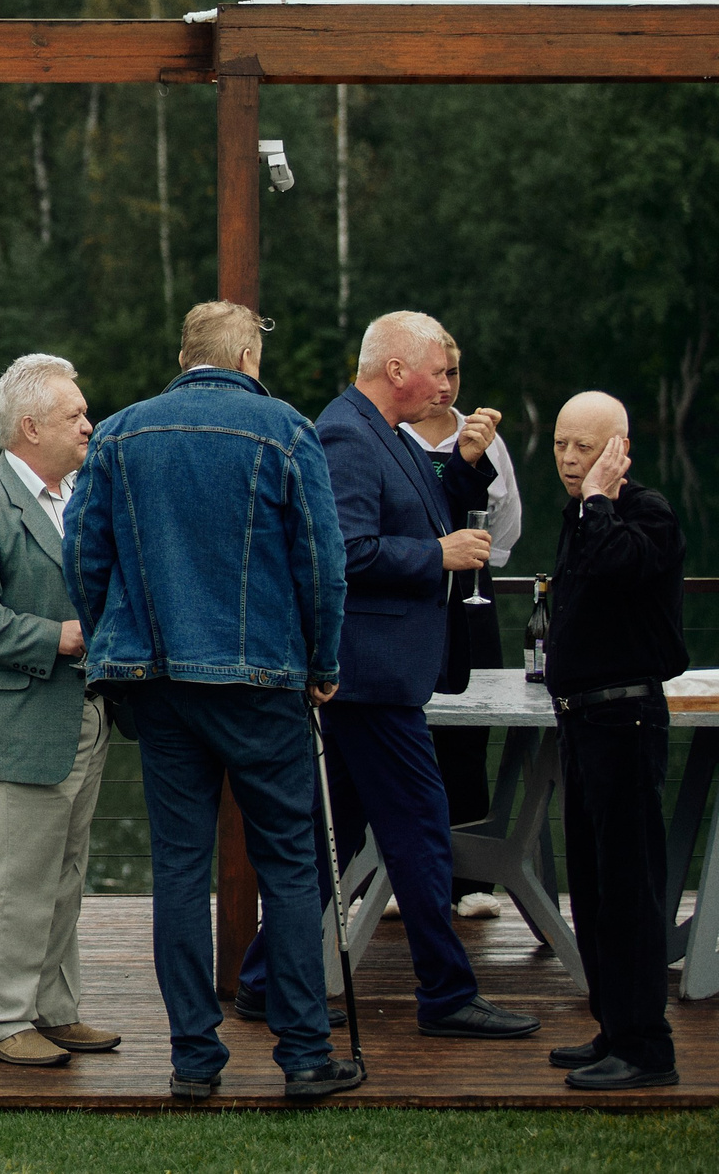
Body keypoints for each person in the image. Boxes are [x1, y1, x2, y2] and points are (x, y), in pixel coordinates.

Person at [64, 301, 359, 1101]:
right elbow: (323, 566)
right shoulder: (288, 431)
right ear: (247, 357)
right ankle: (303, 1055)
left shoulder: (121, 432)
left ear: (185, 354)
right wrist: (323, 661)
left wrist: (110, 639)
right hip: (263, 678)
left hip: (156, 680)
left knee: (181, 869)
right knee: (291, 866)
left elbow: (82, 552)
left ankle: (195, 1057)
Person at [238, 311, 539, 1044]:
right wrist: (438, 555)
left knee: (323, 840)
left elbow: (416, 504)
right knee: (421, 833)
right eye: (439, 367)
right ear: (397, 369)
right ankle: (445, 992)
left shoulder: (382, 432)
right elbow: (347, 549)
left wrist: (465, 468)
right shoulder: (347, 433)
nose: (449, 381)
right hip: (369, 679)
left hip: (365, 679)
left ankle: (261, 979)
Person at [0, 353, 118, 1069]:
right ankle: (2, 1019)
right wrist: (59, 636)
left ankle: (54, 1008)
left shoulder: (81, 494)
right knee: (17, 877)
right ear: (31, 424)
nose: (88, 422)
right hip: (26, 717)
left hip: (90, 713)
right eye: (75, 413)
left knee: (67, 871)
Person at [543, 392, 687, 1091]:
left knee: (630, 887)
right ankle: (613, 1025)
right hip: (581, 721)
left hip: (626, 723)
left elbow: (617, 566)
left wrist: (598, 498)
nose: (570, 460)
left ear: (617, 448)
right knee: (593, 887)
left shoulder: (646, 512)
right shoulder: (579, 517)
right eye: (562, 445)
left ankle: (647, 1045)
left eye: (585, 447)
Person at [406, 327, 522, 921]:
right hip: (408, 601)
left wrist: (475, 560)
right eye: (440, 373)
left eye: (456, 373)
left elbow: (506, 527)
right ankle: (398, 876)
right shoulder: (387, 434)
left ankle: (472, 877)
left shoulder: (484, 439)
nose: (448, 386)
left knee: (470, 731)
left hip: (472, 598)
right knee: (406, 737)